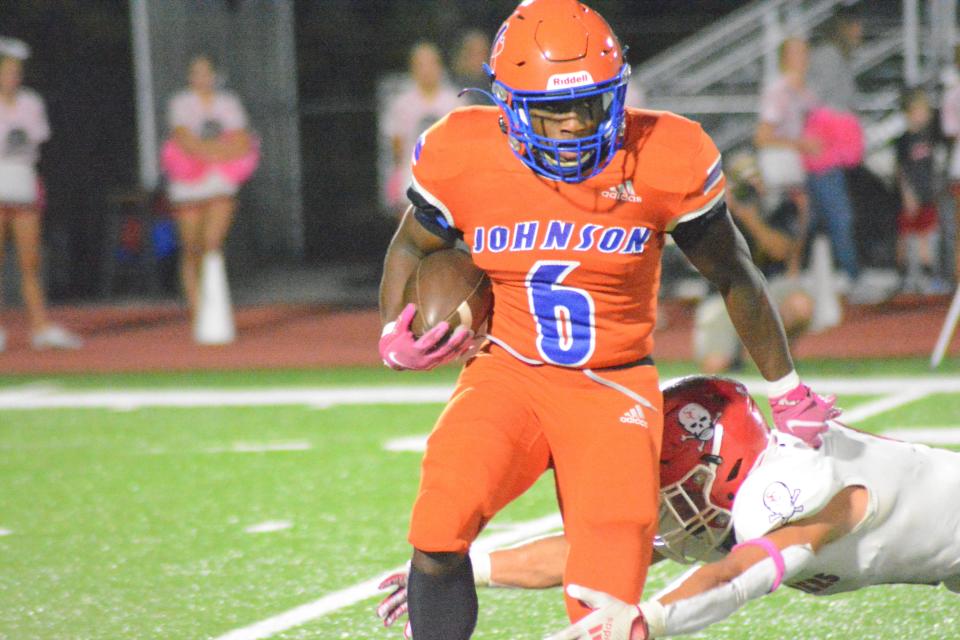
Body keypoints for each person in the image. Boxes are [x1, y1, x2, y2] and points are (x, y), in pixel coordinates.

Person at [376, 1, 836, 638]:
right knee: (436, 524)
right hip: (507, 374)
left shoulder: (663, 155)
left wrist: (787, 391)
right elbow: (411, 246)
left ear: (616, 95)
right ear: (508, 107)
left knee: (603, 601)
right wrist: (392, 332)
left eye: (587, 104)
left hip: (613, 387)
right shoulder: (465, 150)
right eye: (550, 109)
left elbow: (732, 270)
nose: (569, 124)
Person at [377, 376, 960, 640]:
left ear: (720, 467)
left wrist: (649, 621)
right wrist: (460, 567)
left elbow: (738, 573)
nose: (658, 508)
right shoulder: (732, 496)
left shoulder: (785, 492)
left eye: (670, 490)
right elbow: (597, 549)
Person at [694, 153, 813, 374]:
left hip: (768, 288)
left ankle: (766, 349)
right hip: (725, 294)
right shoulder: (713, 210)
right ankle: (738, 348)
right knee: (714, 366)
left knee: (800, 305)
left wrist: (750, 217)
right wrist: (723, 213)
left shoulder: (777, 206)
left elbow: (781, 251)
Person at [161, 54, 255, 328]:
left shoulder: (229, 103)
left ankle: (214, 309)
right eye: (195, 72)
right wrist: (216, 152)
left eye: (206, 72)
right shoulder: (180, 103)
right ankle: (196, 309)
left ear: (215, 75)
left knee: (212, 245)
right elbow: (185, 140)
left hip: (220, 181)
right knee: (191, 248)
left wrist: (211, 153)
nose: (201, 78)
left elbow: (241, 141)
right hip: (188, 183)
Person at [0, 38, 82, 351]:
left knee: (30, 261)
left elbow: (34, 145)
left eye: (16, 72)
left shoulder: (31, 102)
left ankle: (39, 326)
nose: (12, 78)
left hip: (22, 183)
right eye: (7, 71)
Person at [805, 8, 870, 301]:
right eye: (857, 26)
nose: (860, 32)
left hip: (832, 151)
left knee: (823, 217)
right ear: (844, 26)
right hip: (823, 152)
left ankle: (827, 278)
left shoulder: (835, 56)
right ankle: (850, 277)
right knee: (836, 216)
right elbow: (815, 102)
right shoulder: (827, 57)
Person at [381, 41, 460, 217]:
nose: (427, 70)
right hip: (411, 180)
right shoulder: (401, 104)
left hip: (448, 180)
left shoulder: (455, 101)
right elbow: (397, 150)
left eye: (432, 63)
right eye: (420, 64)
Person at [894, 87, 949, 295]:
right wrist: (907, 195)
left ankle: (926, 277)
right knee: (906, 236)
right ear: (909, 112)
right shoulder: (904, 140)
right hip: (910, 198)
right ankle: (904, 276)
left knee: (926, 235)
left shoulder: (930, 138)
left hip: (927, 197)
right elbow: (901, 170)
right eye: (920, 110)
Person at [754, 37, 817, 212]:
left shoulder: (808, 93)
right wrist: (801, 145)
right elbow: (762, 137)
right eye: (796, 54)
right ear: (784, 59)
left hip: (802, 170)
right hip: (782, 172)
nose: (802, 58)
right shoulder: (778, 92)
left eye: (804, 53)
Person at [450, 30, 490, 107]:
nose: (479, 59)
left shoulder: (494, 87)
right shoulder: (451, 86)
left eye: (483, 53)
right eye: (473, 53)